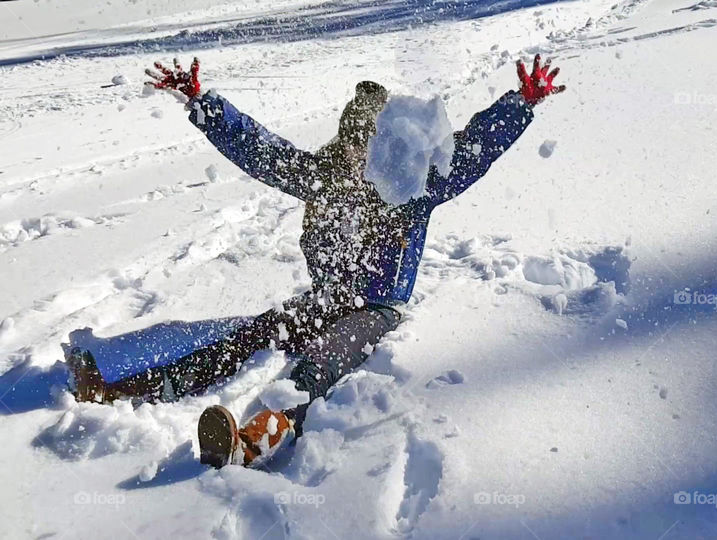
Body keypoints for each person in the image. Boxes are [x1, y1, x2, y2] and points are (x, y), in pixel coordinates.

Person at [66, 55, 566, 468]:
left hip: (377, 311)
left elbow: (474, 150)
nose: (358, 154)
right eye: (352, 141)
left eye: (368, 145)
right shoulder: (322, 178)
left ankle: (250, 442)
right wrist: (203, 103)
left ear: (386, 148)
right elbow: (258, 149)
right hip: (326, 299)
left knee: (319, 361)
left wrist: (519, 103)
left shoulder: (414, 189)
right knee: (248, 337)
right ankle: (116, 389)